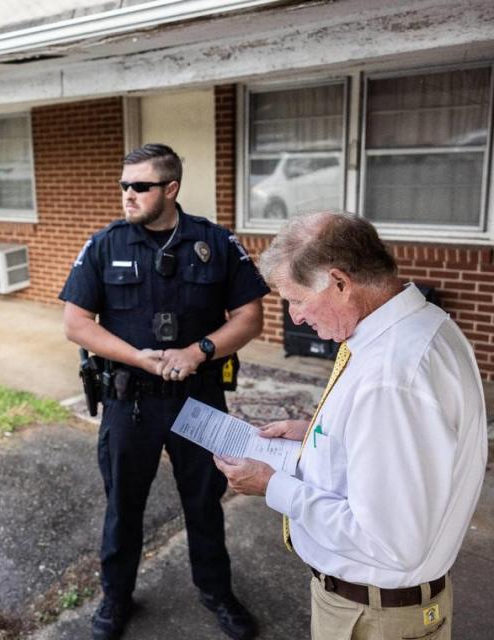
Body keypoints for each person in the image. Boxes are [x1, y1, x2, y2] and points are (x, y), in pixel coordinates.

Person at [215, 211, 487, 640]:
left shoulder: (391, 381)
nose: (296, 317)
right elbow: (400, 441)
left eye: (298, 299)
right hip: (387, 606)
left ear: (340, 283)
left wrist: (273, 486)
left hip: (372, 617)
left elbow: (390, 542)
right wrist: (320, 429)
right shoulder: (426, 326)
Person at [60, 143, 269, 640]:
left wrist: (198, 352)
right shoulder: (106, 244)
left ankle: (217, 591)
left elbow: (249, 318)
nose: (128, 195)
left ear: (170, 189)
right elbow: (75, 324)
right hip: (128, 401)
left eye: (140, 186)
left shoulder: (214, 242)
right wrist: (138, 356)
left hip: (198, 397)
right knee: (123, 506)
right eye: (124, 185)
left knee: (204, 500)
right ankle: (116, 597)